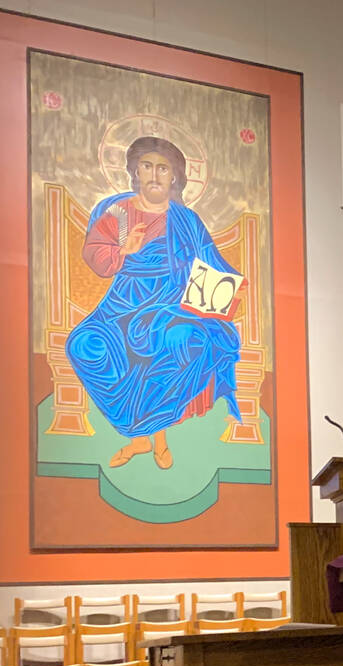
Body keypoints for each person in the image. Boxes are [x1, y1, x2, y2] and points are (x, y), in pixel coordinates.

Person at [67, 136, 241, 470]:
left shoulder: (187, 221)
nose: (155, 174)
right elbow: (95, 253)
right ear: (134, 170)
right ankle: (143, 437)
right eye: (147, 166)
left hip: (172, 304)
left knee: (182, 341)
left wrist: (227, 298)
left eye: (163, 168)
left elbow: (213, 265)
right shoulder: (117, 211)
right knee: (83, 345)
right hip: (123, 303)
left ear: (175, 175)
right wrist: (124, 251)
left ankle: (151, 440)